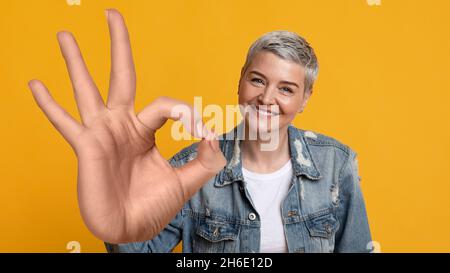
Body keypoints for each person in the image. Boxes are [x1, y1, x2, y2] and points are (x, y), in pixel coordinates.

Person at [28, 9, 372, 253]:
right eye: (257, 80)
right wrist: (118, 222)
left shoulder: (335, 165)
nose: (266, 98)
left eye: (286, 89)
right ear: (240, 80)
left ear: (305, 98)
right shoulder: (191, 168)